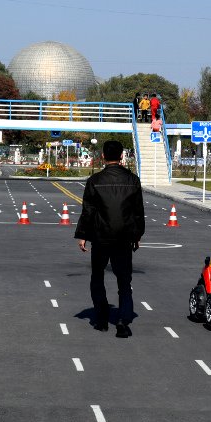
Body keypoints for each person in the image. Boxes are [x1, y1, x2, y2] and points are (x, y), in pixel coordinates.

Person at [75, 140, 145, 338]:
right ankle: (123, 320)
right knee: (124, 280)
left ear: (103, 156)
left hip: (100, 237)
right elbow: (137, 211)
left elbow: (88, 211)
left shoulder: (94, 180)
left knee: (97, 277)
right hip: (123, 238)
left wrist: (82, 235)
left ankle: (102, 318)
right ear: (122, 156)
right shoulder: (132, 180)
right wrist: (137, 234)